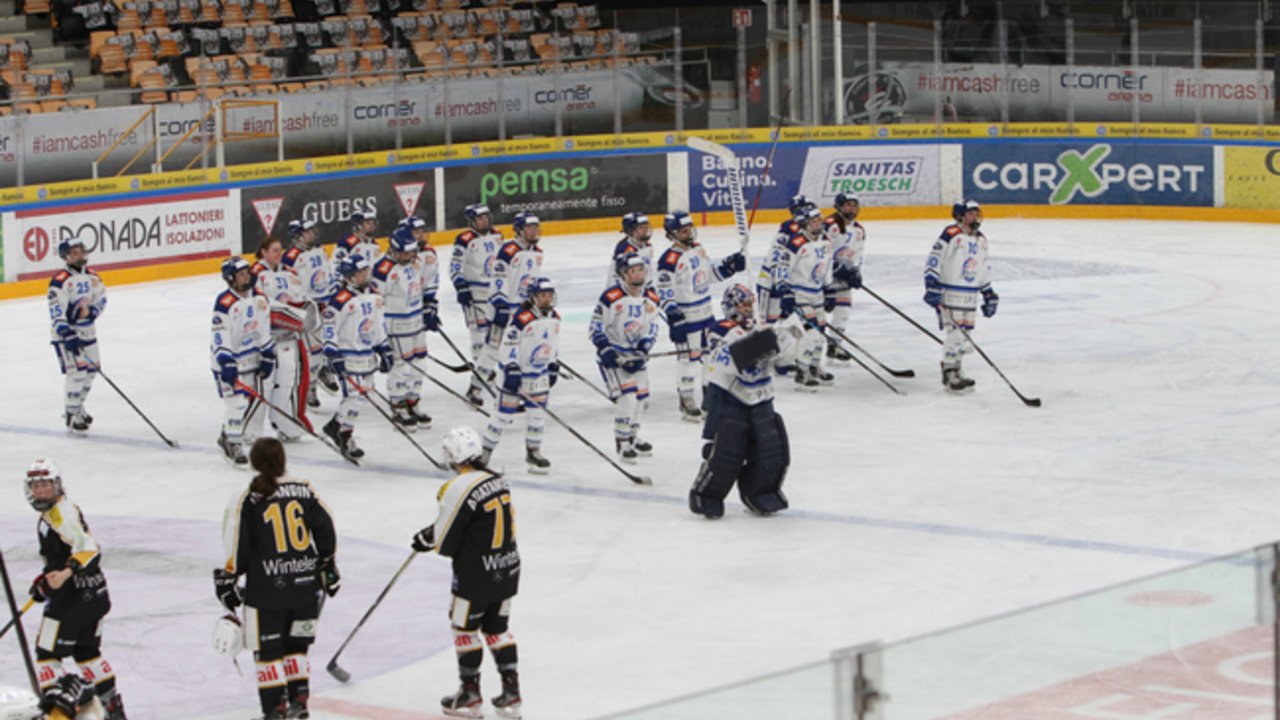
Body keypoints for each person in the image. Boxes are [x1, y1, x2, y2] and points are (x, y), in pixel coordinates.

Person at [215, 438, 339, 720]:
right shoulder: (305, 489)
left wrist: (228, 577)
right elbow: (326, 528)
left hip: (267, 591)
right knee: (297, 648)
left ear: (254, 462)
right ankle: (299, 703)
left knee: (267, 652)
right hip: (306, 586)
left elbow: (238, 546)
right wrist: (327, 563)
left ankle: (275, 710)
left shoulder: (248, 497)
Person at [410, 426, 522, 720]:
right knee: (498, 628)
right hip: (508, 565)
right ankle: (512, 692)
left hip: (476, 574)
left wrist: (427, 539)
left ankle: (470, 695)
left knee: (464, 628)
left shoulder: (455, 487)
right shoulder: (499, 480)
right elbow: (475, 522)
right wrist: (433, 531)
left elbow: (446, 543)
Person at [24, 458, 128, 719]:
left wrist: (65, 574)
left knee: (47, 655)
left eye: (45, 484)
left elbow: (89, 549)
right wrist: (46, 580)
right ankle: (112, 709)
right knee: (87, 652)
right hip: (94, 596)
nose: (39, 490)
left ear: (57, 485)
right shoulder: (59, 511)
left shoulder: (59, 513)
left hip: (71, 601)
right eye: (35, 485)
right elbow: (67, 554)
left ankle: (58, 715)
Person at [690, 285, 804, 519]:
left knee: (771, 451)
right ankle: (706, 495)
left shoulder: (761, 327)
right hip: (731, 398)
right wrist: (762, 342)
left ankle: (760, 493)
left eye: (749, 304)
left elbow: (782, 364)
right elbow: (730, 361)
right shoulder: (719, 330)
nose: (747, 309)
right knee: (727, 453)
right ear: (730, 307)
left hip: (761, 396)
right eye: (742, 304)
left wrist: (789, 335)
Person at [655, 210, 746, 422]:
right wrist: (672, 314)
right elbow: (663, 290)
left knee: (710, 358)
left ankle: (710, 398)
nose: (689, 233)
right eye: (683, 230)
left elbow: (707, 277)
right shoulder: (668, 260)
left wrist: (728, 267)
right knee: (688, 360)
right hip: (687, 318)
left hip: (706, 314)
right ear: (672, 234)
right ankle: (686, 399)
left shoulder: (698, 249)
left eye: (689, 228)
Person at [480, 277, 559, 474]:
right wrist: (512, 367)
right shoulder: (521, 319)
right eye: (543, 296)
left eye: (549, 295)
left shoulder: (555, 317)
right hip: (514, 374)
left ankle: (533, 451)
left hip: (538, 374)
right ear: (533, 297)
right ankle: (485, 453)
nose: (547, 299)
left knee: (537, 416)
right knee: (502, 416)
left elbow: (554, 343)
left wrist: (553, 363)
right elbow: (509, 344)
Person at [590, 254, 661, 462]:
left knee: (641, 399)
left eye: (641, 269)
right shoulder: (611, 297)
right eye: (633, 270)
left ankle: (632, 435)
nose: (639, 274)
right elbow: (595, 326)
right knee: (628, 398)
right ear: (623, 273)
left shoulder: (651, 297)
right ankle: (621, 441)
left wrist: (644, 346)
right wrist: (605, 349)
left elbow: (653, 326)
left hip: (635, 356)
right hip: (616, 357)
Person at [321, 254, 393, 460]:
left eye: (365, 271)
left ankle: (339, 428)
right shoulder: (340, 300)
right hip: (347, 355)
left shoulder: (375, 295)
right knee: (352, 396)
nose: (365, 275)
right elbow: (329, 327)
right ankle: (341, 432)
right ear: (350, 277)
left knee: (362, 397)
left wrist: (383, 348)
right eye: (360, 273)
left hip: (367, 355)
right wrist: (332, 352)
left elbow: (378, 326)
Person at [924, 199, 998, 393]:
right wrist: (931, 283)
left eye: (977, 213)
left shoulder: (981, 239)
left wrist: (988, 292)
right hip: (950, 291)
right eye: (971, 214)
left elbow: (983, 266)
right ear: (960, 216)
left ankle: (957, 368)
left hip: (970, 293)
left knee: (965, 335)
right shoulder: (951, 234)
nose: (975, 217)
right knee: (956, 333)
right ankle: (949, 371)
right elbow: (934, 258)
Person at [212, 256, 276, 466]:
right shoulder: (224, 303)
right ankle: (233, 442)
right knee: (237, 403)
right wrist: (226, 361)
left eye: (247, 272)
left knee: (250, 401)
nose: (246, 276)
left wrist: (268, 352)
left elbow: (264, 326)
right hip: (229, 361)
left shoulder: (259, 297)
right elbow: (220, 336)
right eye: (241, 274)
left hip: (252, 357)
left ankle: (228, 433)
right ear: (231, 279)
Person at [252, 237, 313, 441]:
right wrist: (290, 314)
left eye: (280, 249)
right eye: (275, 250)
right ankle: (252, 430)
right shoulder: (255, 275)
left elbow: (301, 298)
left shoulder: (290, 272)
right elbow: (261, 304)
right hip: (266, 339)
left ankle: (283, 421)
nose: (279, 253)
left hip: (289, 337)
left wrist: (300, 314)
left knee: (287, 382)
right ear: (263, 252)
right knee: (264, 385)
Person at [372, 226, 432, 430]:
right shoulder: (382, 270)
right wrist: (378, 337)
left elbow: (420, 288)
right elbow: (374, 303)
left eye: (411, 252)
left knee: (420, 364)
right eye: (405, 252)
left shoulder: (415, 262)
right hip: (396, 325)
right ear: (395, 250)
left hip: (416, 322)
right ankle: (397, 405)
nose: (409, 256)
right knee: (401, 367)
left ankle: (412, 401)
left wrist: (429, 309)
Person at [47, 236, 107, 434]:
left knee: (91, 372)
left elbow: (102, 298)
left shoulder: (93, 276)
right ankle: (71, 414)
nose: (80, 255)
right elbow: (56, 308)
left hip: (89, 332)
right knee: (77, 373)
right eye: (74, 253)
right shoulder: (60, 281)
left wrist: (92, 312)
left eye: (81, 251)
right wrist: (65, 331)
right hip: (68, 335)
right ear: (66, 257)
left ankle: (77, 407)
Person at [771, 205, 834, 390]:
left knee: (821, 333)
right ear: (805, 224)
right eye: (813, 222)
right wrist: (784, 290)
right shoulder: (796, 243)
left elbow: (827, 266)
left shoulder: (827, 241)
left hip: (817, 293)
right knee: (812, 332)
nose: (817, 224)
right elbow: (782, 267)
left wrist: (829, 288)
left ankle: (814, 367)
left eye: (819, 221)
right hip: (799, 294)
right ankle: (801, 371)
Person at [449, 204, 503, 406]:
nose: (484, 221)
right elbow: (455, 266)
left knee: (496, 336)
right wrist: (460, 285)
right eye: (479, 218)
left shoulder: (498, 235)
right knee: (479, 336)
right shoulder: (464, 240)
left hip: (494, 293)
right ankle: (480, 378)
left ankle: (484, 371)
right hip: (475, 294)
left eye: (486, 217)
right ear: (472, 221)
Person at [282, 218, 339, 408]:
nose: (313, 233)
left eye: (312, 230)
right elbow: (289, 285)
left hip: (326, 303)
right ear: (298, 236)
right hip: (308, 308)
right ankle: (310, 387)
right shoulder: (291, 257)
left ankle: (324, 370)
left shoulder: (320, 250)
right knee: (313, 350)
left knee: (331, 342)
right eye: (308, 231)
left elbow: (328, 273)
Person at [756, 194, 814, 325]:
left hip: (791, 282)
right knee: (766, 324)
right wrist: (781, 284)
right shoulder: (787, 231)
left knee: (789, 322)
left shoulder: (811, 230)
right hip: (770, 282)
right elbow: (775, 258)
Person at [822, 193, 866, 363]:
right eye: (847, 205)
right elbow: (821, 250)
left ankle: (835, 345)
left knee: (843, 311)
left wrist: (855, 271)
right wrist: (835, 267)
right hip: (824, 278)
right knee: (820, 314)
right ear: (839, 207)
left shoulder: (859, 229)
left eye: (854, 205)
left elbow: (858, 253)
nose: (851, 208)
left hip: (844, 276)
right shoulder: (830, 225)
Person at [602, 212, 654, 290]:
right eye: (641, 227)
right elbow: (618, 276)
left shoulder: (648, 246)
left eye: (646, 226)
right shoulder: (624, 250)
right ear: (631, 230)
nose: (645, 230)